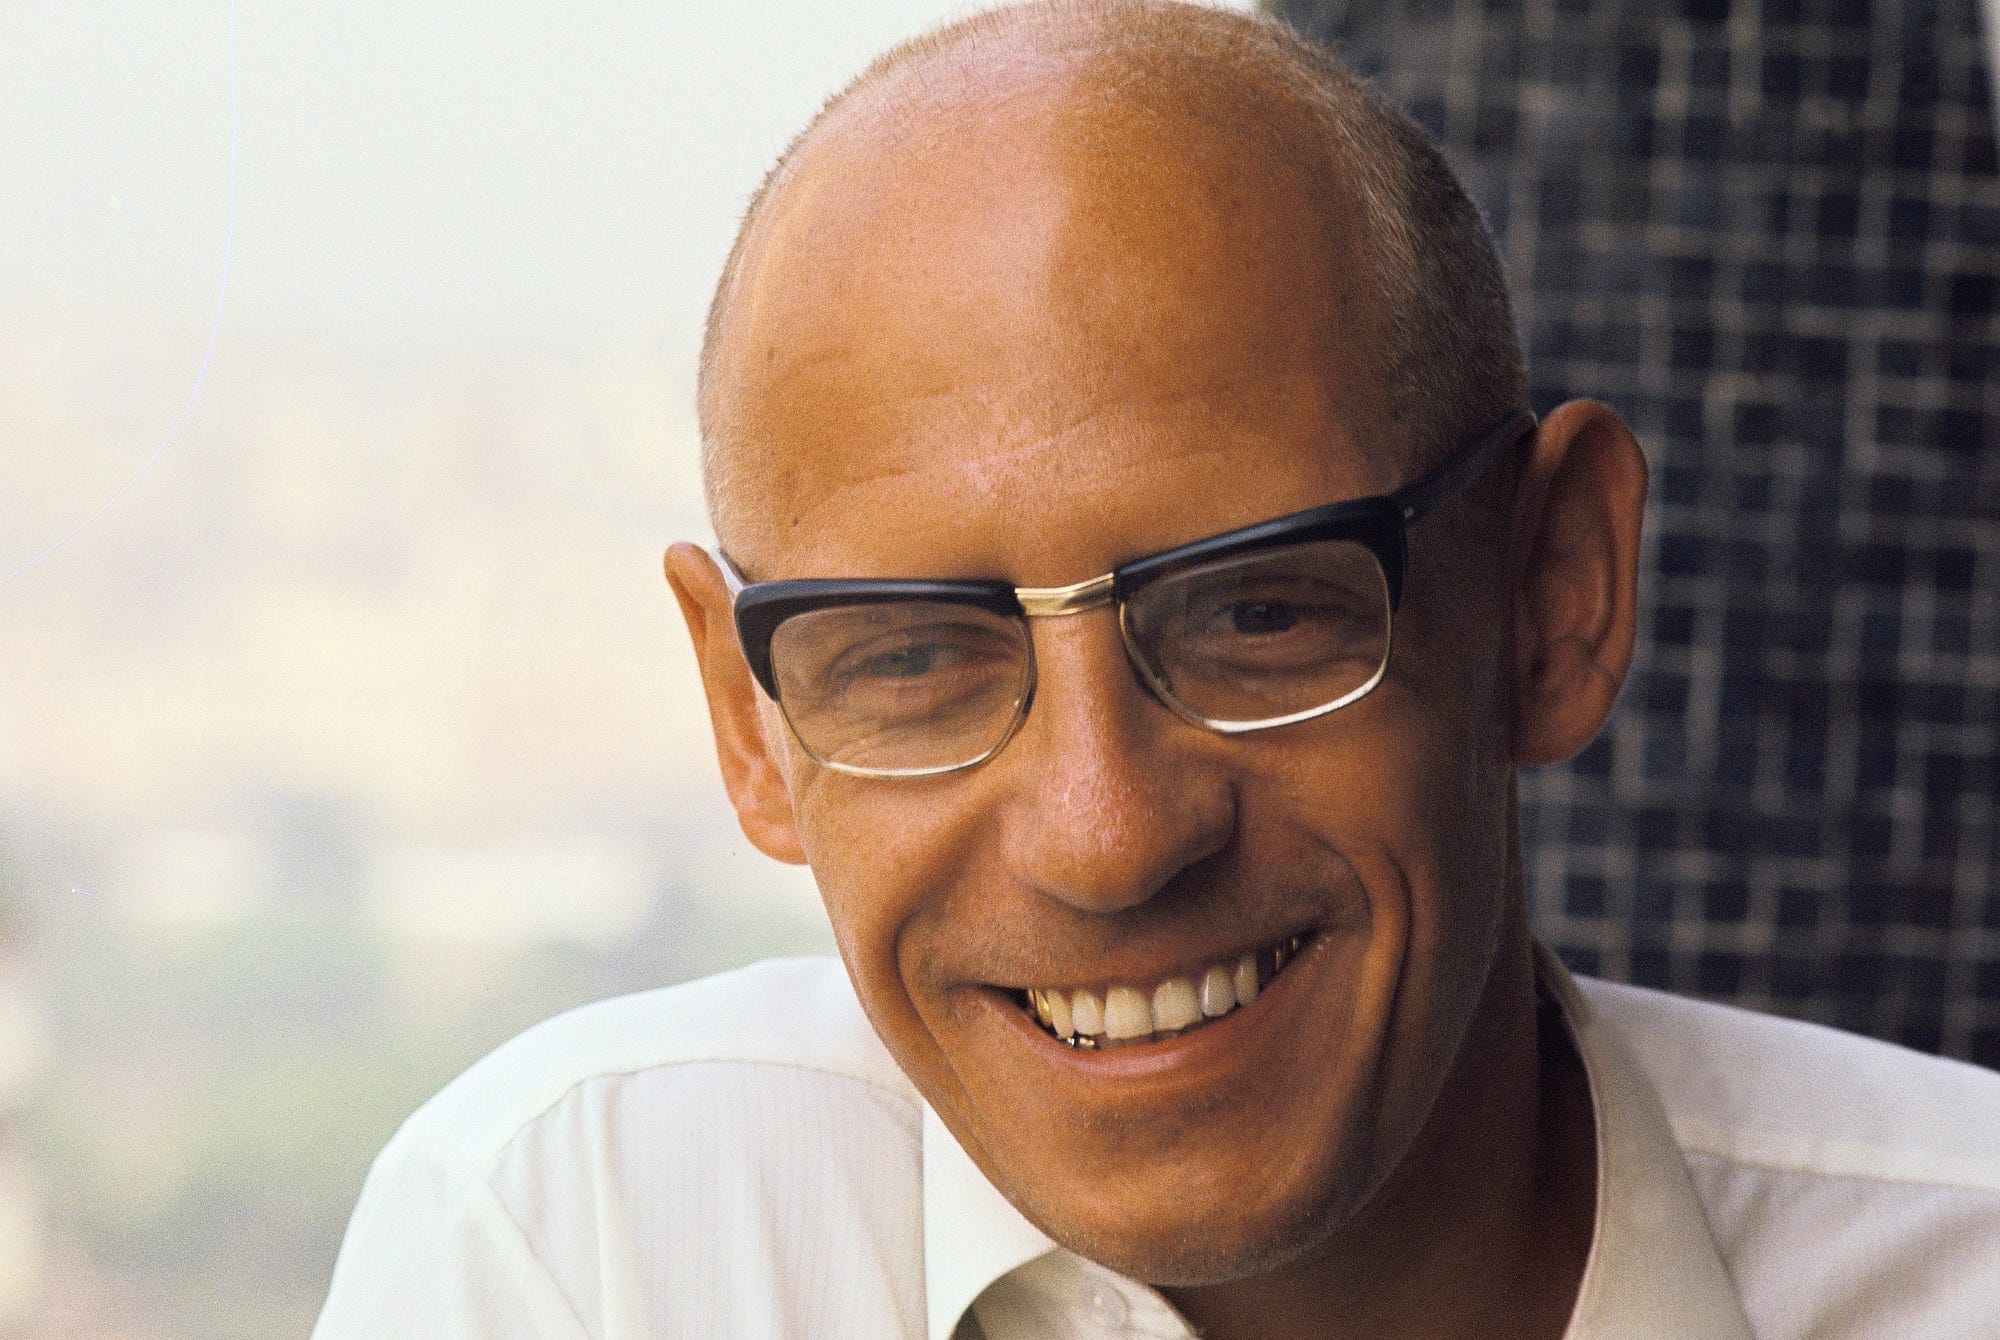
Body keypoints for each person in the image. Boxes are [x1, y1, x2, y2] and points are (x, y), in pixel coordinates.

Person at [312, 4, 2000, 1337]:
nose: (1106, 835)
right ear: (752, 727)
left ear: (1554, 594)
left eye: (1255, 615)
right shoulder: (578, 1261)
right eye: (914, 657)